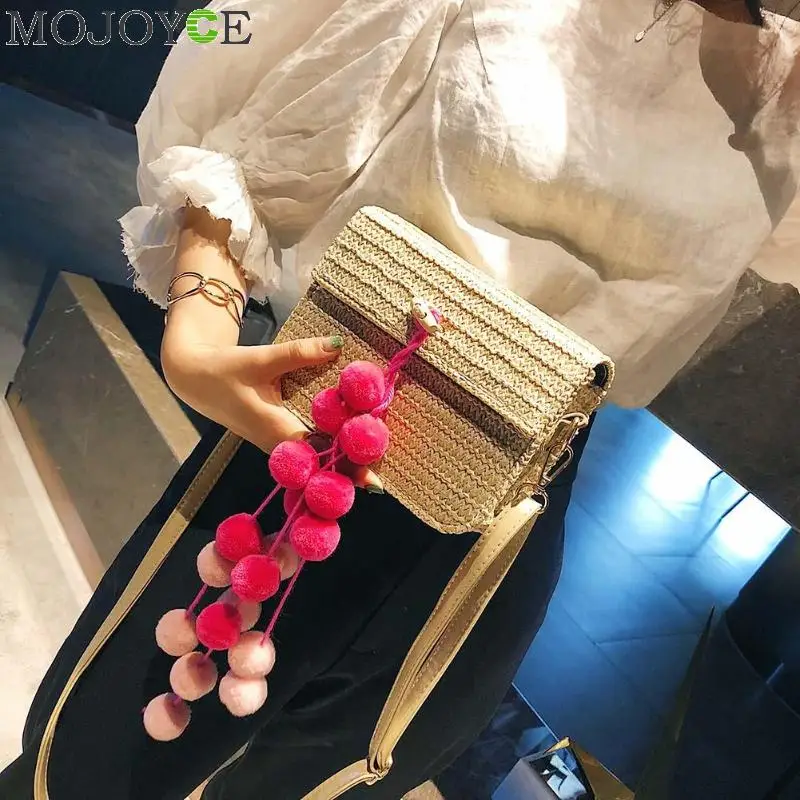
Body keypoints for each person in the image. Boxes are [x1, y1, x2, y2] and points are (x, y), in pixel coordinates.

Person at [3, 1, 799, 798]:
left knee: (330, 781)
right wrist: (198, 334)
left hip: (504, 528)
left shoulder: (784, 88)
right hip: (318, 452)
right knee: (88, 771)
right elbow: (244, 82)